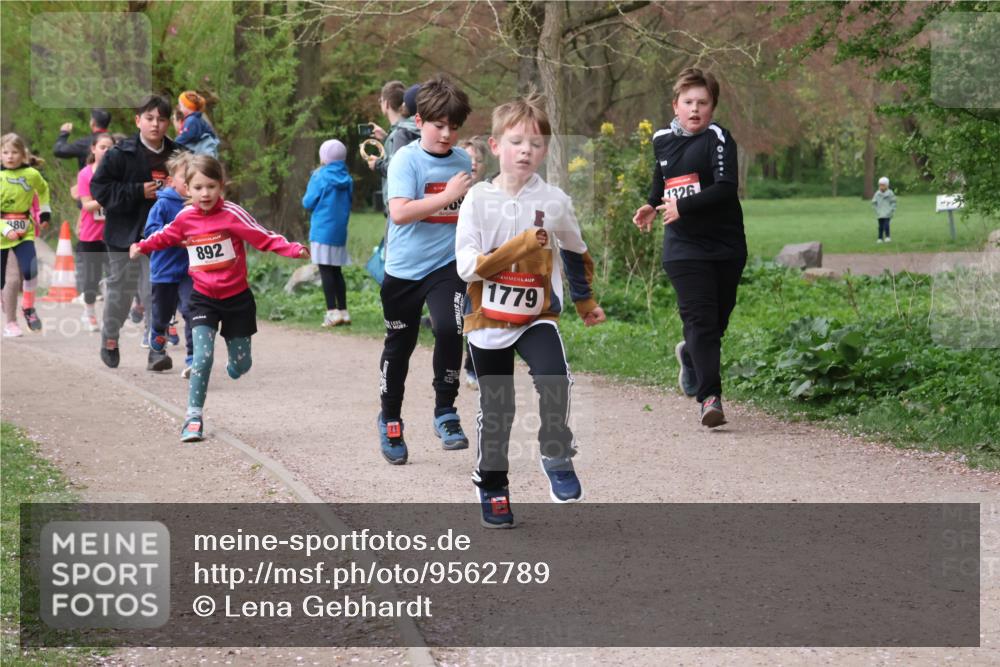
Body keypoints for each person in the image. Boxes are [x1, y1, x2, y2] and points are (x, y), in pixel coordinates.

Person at [456, 95, 606, 528]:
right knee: (498, 408)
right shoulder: (477, 201)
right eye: (516, 141)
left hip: (536, 314)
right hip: (488, 320)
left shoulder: (554, 200)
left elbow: (576, 250)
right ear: (495, 146)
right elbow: (467, 265)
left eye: (536, 143)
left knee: (555, 378)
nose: (526, 150)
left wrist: (585, 301)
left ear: (546, 151)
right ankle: (492, 483)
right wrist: (521, 246)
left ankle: (556, 450)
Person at [130, 155, 309, 442]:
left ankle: (236, 363)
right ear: (187, 188)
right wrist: (142, 245)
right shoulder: (185, 218)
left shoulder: (232, 215)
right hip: (203, 298)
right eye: (198, 187)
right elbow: (165, 236)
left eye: (211, 187)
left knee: (242, 365)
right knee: (201, 358)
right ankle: (192, 417)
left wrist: (292, 249)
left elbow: (263, 237)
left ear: (221, 186)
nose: (205, 194)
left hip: (237, 298)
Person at [632, 67, 747, 428]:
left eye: (703, 103)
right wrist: (653, 203)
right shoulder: (663, 138)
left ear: (712, 107)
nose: (695, 109)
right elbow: (662, 176)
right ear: (676, 105)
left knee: (716, 321)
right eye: (688, 102)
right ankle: (710, 398)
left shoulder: (718, 138)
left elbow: (727, 186)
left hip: (725, 244)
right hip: (683, 247)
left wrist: (684, 205)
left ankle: (691, 356)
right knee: (700, 321)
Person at [377, 75, 473, 464]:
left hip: (446, 266)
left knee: (451, 329)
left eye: (453, 126)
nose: (447, 134)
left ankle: (445, 411)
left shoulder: (463, 160)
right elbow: (399, 213)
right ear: (419, 122)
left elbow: (466, 212)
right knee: (401, 345)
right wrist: (448, 196)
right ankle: (390, 420)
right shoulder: (406, 159)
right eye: (439, 125)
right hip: (403, 270)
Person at [91, 94, 178, 368]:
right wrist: (137, 190)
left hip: (162, 235)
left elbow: (194, 189)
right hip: (123, 234)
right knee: (121, 293)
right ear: (137, 120)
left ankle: (157, 351)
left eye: (162, 119)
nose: (155, 125)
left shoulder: (179, 155)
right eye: (150, 118)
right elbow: (100, 190)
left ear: (168, 124)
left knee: (157, 291)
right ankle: (110, 338)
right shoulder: (120, 154)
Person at [143, 150, 194, 374]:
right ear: (172, 182)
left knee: (193, 310)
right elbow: (150, 232)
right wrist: (175, 238)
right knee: (162, 315)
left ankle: (194, 359)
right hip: (164, 270)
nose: (192, 182)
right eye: (187, 177)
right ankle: (157, 349)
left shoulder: (199, 206)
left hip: (191, 271)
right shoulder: (163, 205)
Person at [1, 133, 51, 337]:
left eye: (14, 152)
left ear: (23, 154)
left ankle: (27, 310)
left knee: (29, 270)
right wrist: (6, 229)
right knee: (5, 281)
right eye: (5, 152)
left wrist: (45, 212)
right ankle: (7, 307)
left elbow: (44, 189)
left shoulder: (31, 174)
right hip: (2, 231)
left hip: (24, 230)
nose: (10, 156)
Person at [303, 139, 354, 327]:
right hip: (339, 230)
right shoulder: (348, 178)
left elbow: (308, 203)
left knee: (325, 270)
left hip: (322, 229)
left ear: (324, 157)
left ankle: (332, 312)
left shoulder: (320, 176)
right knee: (336, 271)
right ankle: (344, 311)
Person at [456, 135, 492, 390]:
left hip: (479, 263)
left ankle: (473, 366)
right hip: (449, 261)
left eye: (478, 160)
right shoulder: (449, 190)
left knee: (475, 313)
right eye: (469, 159)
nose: (474, 164)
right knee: (451, 321)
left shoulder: (491, 191)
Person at [76, 133, 116, 332]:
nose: (106, 151)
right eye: (102, 147)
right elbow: (87, 205)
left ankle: (112, 315)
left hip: (114, 233)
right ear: (93, 149)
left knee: (116, 276)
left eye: (110, 147)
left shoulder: (118, 173)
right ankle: (89, 313)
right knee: (91, 278)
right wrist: (110, 198)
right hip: (91, 234)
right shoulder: (85, 174)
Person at [367, 82, 422, 210]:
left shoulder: (401, 134)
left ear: (386, 103)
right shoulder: (413, 128)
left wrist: (377, 164)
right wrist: (387, 138)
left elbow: (396, 168)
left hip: (399, 204)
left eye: (380, 100)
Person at [175, 91, 220, 157]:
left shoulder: (191, 120)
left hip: (203, 154)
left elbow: (186, 136)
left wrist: (174, 144)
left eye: (181, 105)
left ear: (187, 106)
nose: (180, 108)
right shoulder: (196, 119)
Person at [872, 176, 897, 243]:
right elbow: (874, 202)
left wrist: (891, 209)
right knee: (880, 226)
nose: (881, 187)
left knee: (886, 225)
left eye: (883, 185)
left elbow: (893, 202)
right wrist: (876, 210)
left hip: (887, 213)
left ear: (887, 186)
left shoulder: (890, 193)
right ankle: (880, 238)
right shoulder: (877, 194)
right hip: (880, 213)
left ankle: (887, 237)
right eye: (880, 185)